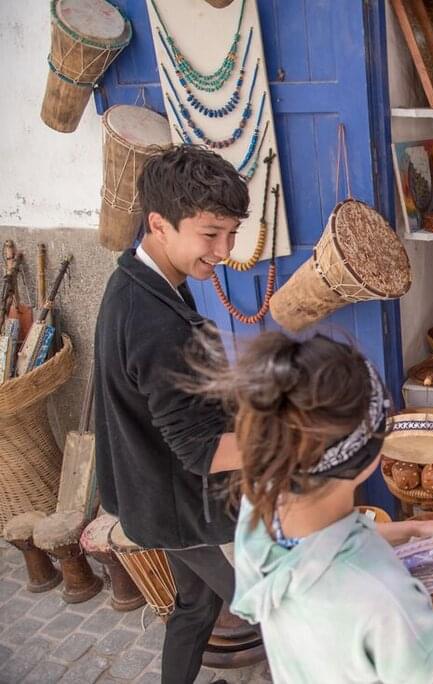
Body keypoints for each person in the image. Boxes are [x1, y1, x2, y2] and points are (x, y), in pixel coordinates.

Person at [182, 331, 433, 682]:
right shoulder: (380, 595)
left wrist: (413, 529)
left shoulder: (260, 502)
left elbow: (319, 547)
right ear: (367, 458)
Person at [93, 145, 248, 684]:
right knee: (282, 615)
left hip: (154, 497)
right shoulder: (156, 322)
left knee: (196, 608)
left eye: (232, 233)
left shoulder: (134, 279)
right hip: (185, 510)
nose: (224, 251)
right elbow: (203, 452)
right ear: (159, 223)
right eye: (211, 234)